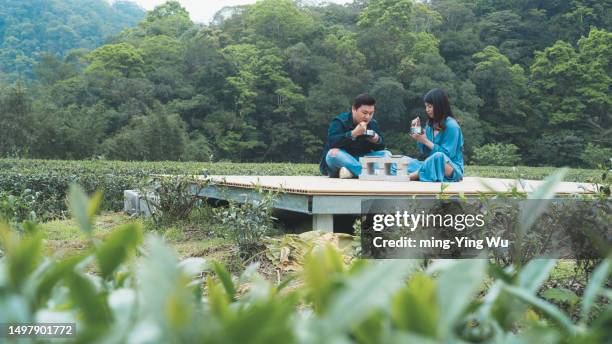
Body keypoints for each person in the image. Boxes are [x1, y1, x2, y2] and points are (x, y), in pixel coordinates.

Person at [320, 93, 392, 178]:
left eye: (371, 113)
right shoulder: (340, 121)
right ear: (354, 109)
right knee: (333, 154)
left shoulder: (372, 123)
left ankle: (352, 172)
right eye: (364, 113)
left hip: (362, 158)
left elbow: (381, 147)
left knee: (386, 154)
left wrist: (376, 140)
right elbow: (332, 143)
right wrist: (353, 133)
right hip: (343, 159)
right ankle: (367, 172)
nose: (367, 117)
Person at [407, 88, 464, 182]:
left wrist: (425, 140)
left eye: (430, 107)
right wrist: (419, 136)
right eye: (426, 107)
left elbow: (447, 155)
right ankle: (422, 173)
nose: (427, 110)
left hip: (451, 167)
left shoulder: (452, 126)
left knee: (438, 157)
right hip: (431, 163)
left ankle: (413, 176)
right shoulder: (430, 125)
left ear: (439, 106)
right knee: (410, 162)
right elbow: (425, 151)